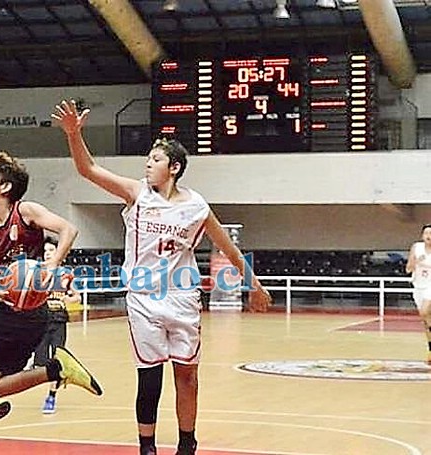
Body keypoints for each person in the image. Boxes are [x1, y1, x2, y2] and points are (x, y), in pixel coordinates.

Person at [53, 100, 272, 455]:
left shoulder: (197, 207)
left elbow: (228, 248)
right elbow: (88, 169)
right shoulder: (137, 194)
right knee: (150, 376)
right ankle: (147, 447)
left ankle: (187, 445)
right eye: (148, 160)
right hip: (143, 299)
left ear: (174, 167)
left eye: (154, 161)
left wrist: (254, 285)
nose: (148, 166)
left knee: (187, 375)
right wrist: (74, 134)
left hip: (182, 298)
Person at [0, 151, 103, 440]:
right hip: (16, 310)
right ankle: (55, 369)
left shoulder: (25, 211)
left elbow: (69, 229)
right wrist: (7, 287)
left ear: (5, 187)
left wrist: (51, 266)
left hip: (31, 311)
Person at [33, 236, 82, 414]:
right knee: (39, 363)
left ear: (58, 253)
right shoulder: (37, 274)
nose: (47, 254)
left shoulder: (65, 275)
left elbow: (77, 296)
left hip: (59, 320)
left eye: (51, 251)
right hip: (40, 321)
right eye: (45, 251)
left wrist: (69, 298)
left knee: (57, 359)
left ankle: (51, 396)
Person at [405, 224, 431, 364]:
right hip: (418, 286)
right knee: (426, 321)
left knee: (424, 311)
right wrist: (417, 262)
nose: (429, 236)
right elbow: (408, 269)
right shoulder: (416, 247)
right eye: (426, 233)